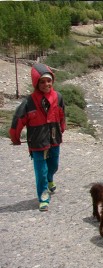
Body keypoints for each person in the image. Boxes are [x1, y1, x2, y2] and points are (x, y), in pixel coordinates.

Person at [9, 63, 66, 212]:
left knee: (53, 165)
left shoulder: (58, 97)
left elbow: (62, 114)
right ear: (36, 83)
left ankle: (50, 179)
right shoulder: (28, 102)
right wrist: (15, 138)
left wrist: (62, 128)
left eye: (48, 80)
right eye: (42, 81)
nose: (46, 84)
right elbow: (18, 120)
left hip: (54, 139)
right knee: (40, 171)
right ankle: (43, 197)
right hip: (37, 142)